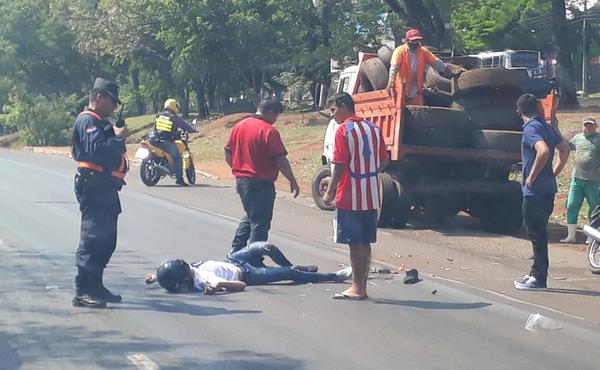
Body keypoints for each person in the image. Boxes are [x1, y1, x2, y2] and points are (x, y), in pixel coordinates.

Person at [322, 92, 389, 300]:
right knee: (365, 241)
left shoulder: (343, 131)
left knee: (354, 242)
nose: (332, 115)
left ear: (343, 107)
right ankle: (361, 286)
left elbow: (340, 164)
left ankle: (357, 288)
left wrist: (330, 192)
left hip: (350, 194)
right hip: (371, 194)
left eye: (333, 110)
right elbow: (384, 161)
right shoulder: (374, 129)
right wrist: (369, 174)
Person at [71, 77, 130, 308]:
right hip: (93, 186)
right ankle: (83, 290)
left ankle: (96, 285)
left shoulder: (100, 122)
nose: (114, 107)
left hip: (105, 187)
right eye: (112, 102)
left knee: (107, 240)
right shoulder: (88, 120)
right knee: (93, 238)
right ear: (99, 98)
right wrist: (118, 138)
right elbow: (98, 150)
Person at [224, 98, 300, 254]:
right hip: (261, 183)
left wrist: (238, 169)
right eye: (276, 116)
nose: (275, 120)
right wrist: (292, 180)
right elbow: (280, 159)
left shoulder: (239, 126)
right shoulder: (268, 131)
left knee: (251, 216)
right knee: (260, 223)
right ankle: (254, 259)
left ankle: (236, 250)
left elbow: (227, 151)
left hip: (243, 181)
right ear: (270, 112)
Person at [514, 93, 570, 291]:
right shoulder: (547, 127)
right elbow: (565, 150)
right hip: (548, 189)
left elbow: (543, 151)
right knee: (539, 233)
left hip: (535, 191)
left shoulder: (531, 129)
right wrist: (553, 172)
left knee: (536, 234)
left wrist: (532, 176)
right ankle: (535, 273)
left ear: (518, 111)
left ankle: (538, 277)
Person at [144, 241, 353, 293]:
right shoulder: (203, 282)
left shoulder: (186, 270)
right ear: (184, 280)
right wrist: (220, 286)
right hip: (248, 274)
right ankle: (333, 276)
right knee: (287, 275)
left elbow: (172, 272)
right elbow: (240, 286)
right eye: (184, 270)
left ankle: (299, 268)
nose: (187, 267)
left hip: (234, 258)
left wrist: (156, 276)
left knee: (266, 247)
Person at [386, 28, 459, 105]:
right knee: (401, 113)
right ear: (407, 40)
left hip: (416, 91)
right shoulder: (400, 51)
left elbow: (436, 62)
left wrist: (448, 71)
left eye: (417, 40)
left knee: (418, 113)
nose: (415, 42)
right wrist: (391, 80)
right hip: (401, 90)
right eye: (413, 40)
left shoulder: (423, 51)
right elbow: (394, 66)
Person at [561, 117, 600, 243]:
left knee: (594, 208)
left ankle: (591, 236)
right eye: (586, 125)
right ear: (582, 126)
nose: (587, 128)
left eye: (590, 125)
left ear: (595, 126)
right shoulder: (578, 138)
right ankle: (571, 236)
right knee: (572, 205)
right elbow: (565, 146)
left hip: (593, 180)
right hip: (577, 179)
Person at [150, 98, 198, 186]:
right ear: (174, 106)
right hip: (166, 142)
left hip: (155, 141)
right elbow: (184, 125)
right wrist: (193, 130)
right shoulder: (173, 117)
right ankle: (179, 179)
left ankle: (164, 164)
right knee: (178, 158)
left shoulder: (158, 115)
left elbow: (155, 128)